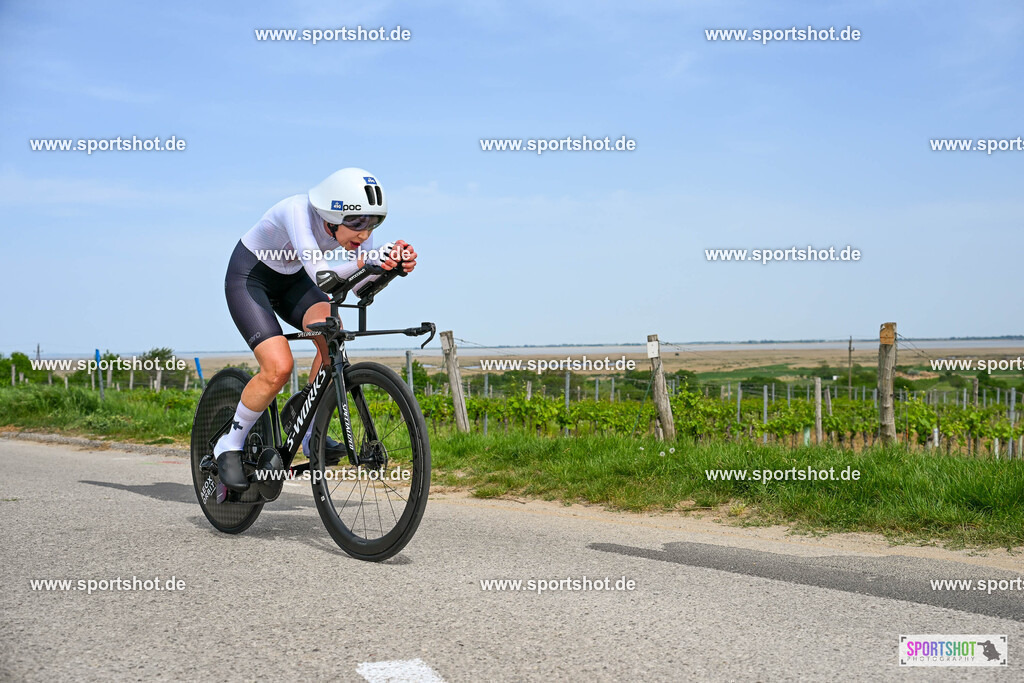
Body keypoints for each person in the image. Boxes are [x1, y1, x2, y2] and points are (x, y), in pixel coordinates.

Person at [215, 168, 417, 491]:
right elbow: (324, 276)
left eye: (373, 223)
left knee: (331, 333)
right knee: (279, 367)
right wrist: (371, 261)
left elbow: (359, 287)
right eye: (357, 223)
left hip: (294, 279)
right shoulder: (296, 211)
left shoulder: (355, 231)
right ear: (332, 215)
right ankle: (229, 444)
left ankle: (308, 434)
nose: (365, 234)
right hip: (250, 278)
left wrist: (392, 268)